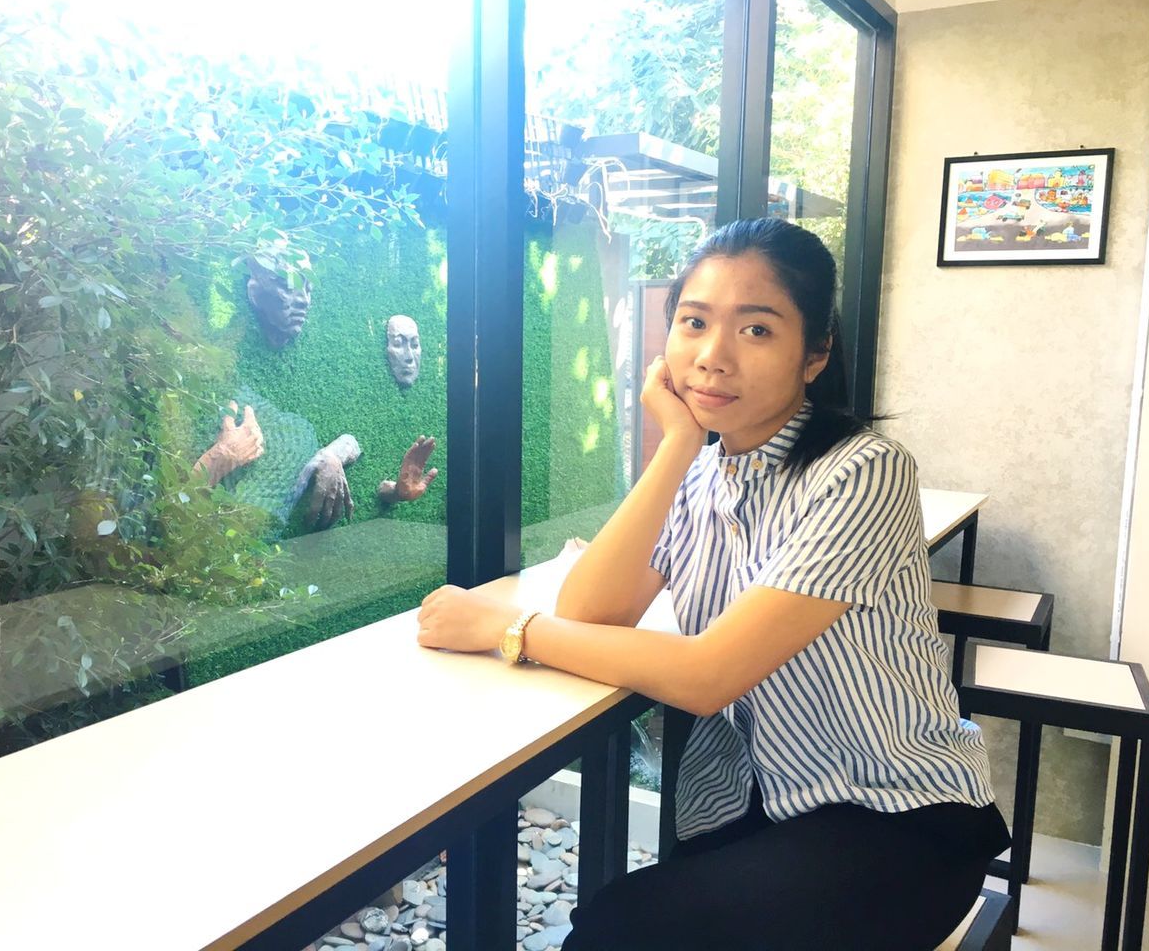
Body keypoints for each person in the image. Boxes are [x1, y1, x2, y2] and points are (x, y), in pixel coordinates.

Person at [416, 218, 1010, 951]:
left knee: (614, 932)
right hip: (752, 804)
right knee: (619, 921)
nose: (712, 357)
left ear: (815, 354)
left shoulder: (863, 470)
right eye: (693, 323)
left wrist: (504, 629)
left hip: (896, 818)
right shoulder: (707, 468)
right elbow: (594, 609)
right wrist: (677, 444)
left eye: (756, 331)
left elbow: (707, 677)